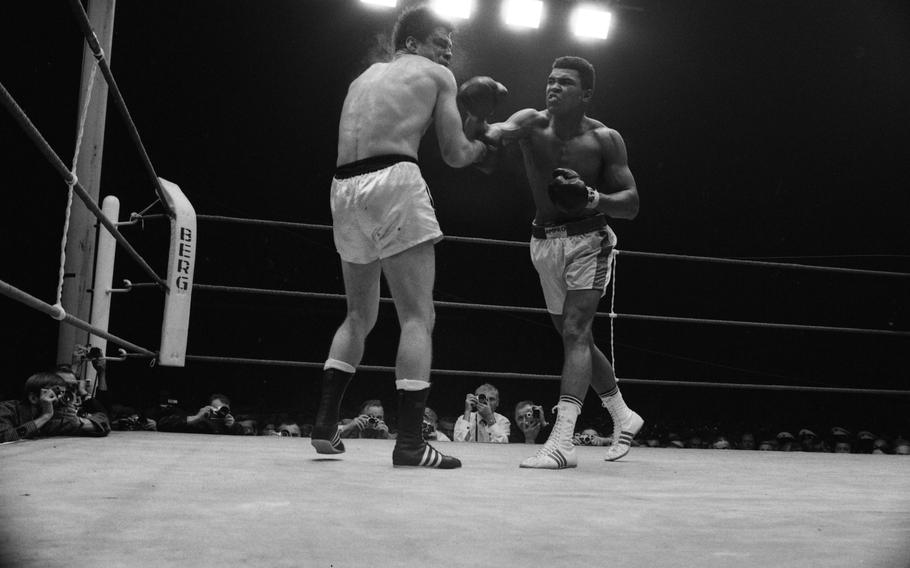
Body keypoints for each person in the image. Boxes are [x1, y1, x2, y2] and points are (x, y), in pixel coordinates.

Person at [310, 4, 494, 470]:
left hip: (343, 187)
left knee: (358, 316)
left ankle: (325, 426)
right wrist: (490, 141)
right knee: (417, 316)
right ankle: (411, 443)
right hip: (393, 179)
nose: (447, 47)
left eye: (450, 40)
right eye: (439, 39)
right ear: (410, 44)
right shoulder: (435, 75)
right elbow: (455, 156)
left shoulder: (363, 78)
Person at [475, 56, 642, 468]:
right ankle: (623, 414)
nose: (553, 88)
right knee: (574, 336)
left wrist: (592, 197)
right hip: (543, 242)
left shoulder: (605, 139)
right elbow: (490, 138)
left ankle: (562, 441)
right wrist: (475, 114)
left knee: (575, 329)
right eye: (550, 80)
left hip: (589, 239)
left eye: (564, 83)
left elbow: (632, 204)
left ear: (585, 94)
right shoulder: (531, 122)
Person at [1, 371, 109, 441]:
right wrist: (45, 416)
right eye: (54, 394)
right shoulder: (6, 409)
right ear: (33, 398)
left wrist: (76, 421)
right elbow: (6, 437)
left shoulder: (56, 418)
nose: (59, 400)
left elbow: (103, 422)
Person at [156, 393, 244, 435]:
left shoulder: (228, 425)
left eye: (223, 410)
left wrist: (233, 426)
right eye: (215, 409)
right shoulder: (200, 422)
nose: (219, 413)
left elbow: (248, 433)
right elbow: (162, 424)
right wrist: (197, 417)